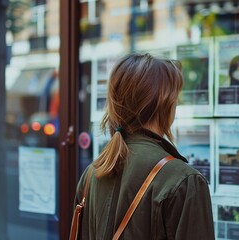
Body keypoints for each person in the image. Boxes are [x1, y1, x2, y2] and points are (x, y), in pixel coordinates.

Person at [73, 53, 215, 239]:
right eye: (175, 97)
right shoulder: (183, 180)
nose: (176, 103)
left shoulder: (92, 174)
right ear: (163, 104)